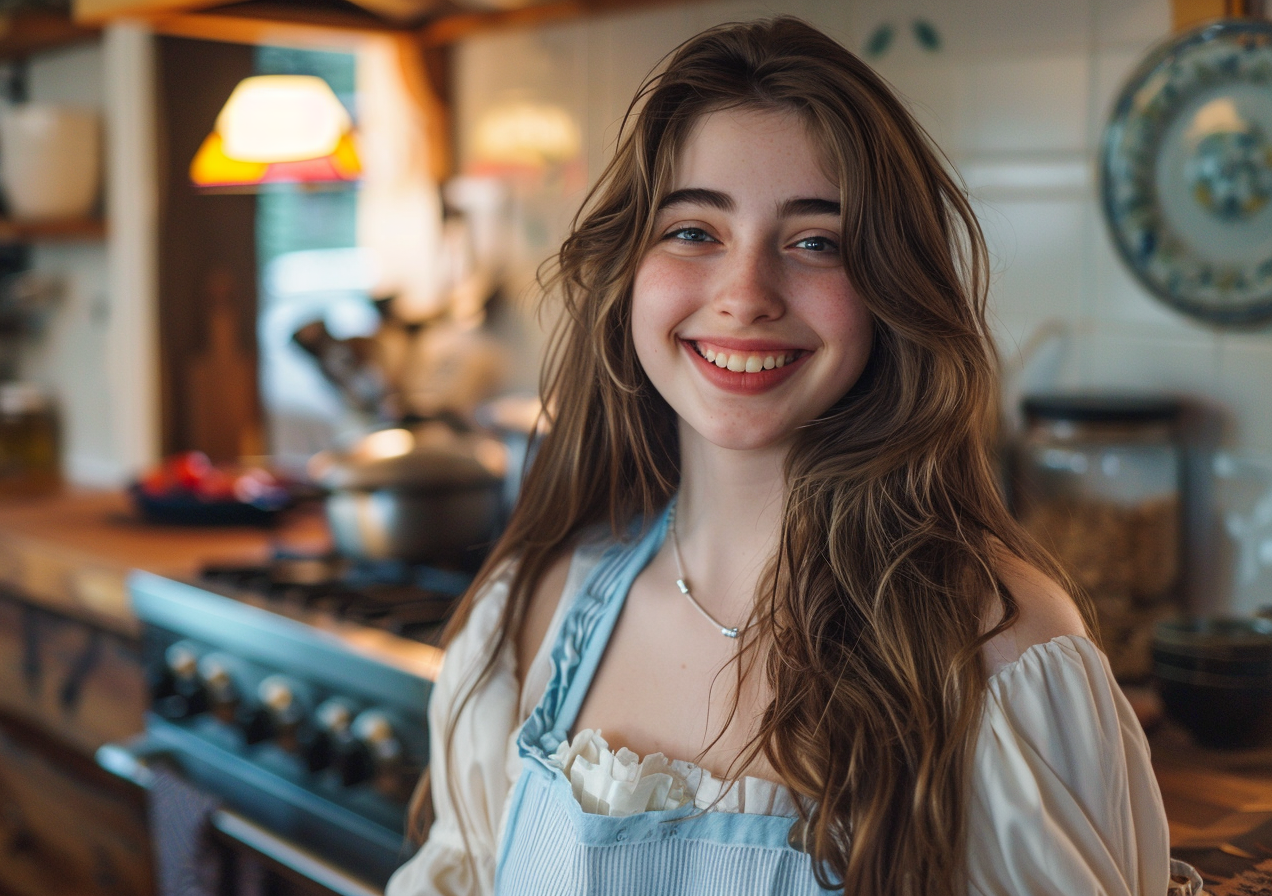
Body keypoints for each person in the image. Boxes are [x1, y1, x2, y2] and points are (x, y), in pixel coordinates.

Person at [387, 16, 1179, 896]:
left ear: (890, 291)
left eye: (815, 243)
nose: (746, 296)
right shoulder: (528, 616)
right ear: (628, 271)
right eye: (694, 230)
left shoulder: (999, 651)